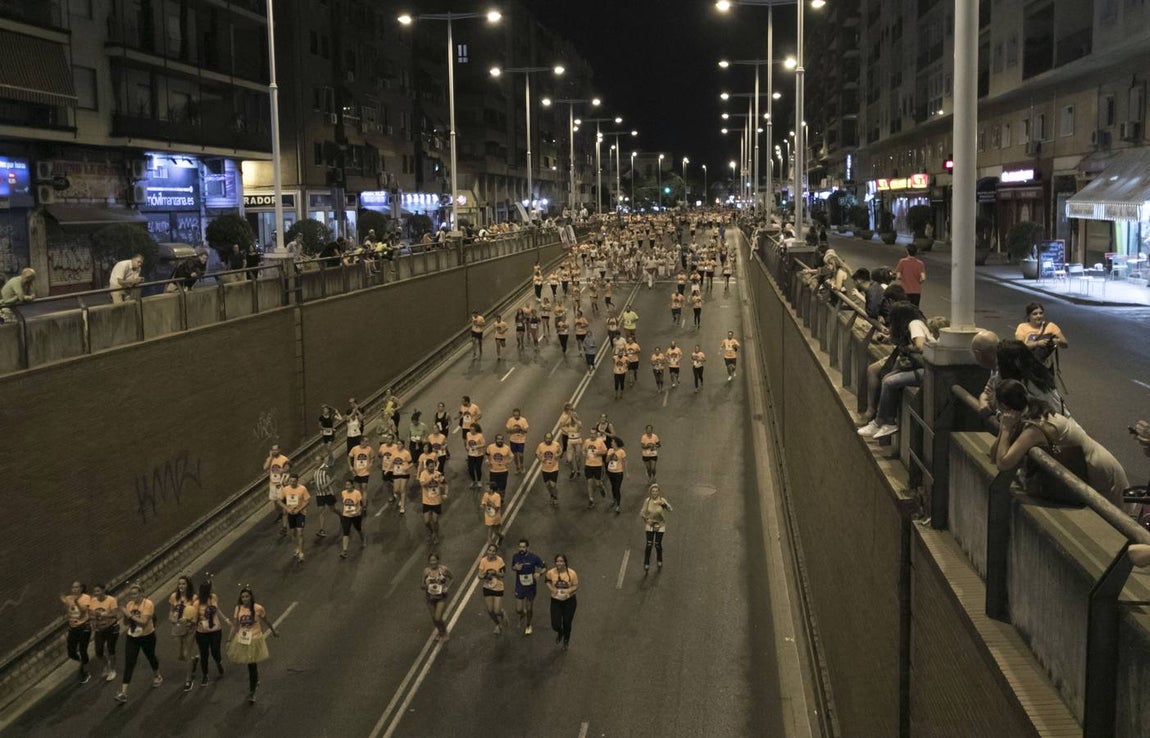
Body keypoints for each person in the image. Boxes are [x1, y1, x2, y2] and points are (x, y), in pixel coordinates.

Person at [990, 379, 1130, 509]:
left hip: (1101, 473)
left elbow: (1003, 463)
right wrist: (1006, 427)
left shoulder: (1035, 427)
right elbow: (994, 455)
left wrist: (1006, 429)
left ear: (1006, 407)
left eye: (1000, 409)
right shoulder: (1029, 414)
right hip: (1089, 470)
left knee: (1114, 527)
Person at [858, 302, 935, 440]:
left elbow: (920, 346)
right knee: (886, 378)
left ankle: (883, 421)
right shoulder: (915, 323)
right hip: (923, 367)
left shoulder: (915, 324)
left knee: (888, 381)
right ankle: (882, 421)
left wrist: (907, 349)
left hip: (928, 371)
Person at [227, 587, 278, 703]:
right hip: (243, 639)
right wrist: (229, 640)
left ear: (251, 597)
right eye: (243, 597)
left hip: (254, 639)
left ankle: (252, 691)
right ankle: (255, 682)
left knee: (251, 665)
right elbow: (235, 625)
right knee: (249, 664)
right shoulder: (238, 608)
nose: (245, 599)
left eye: (247, 596)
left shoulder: (258, 608)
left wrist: (274, 631)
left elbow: (266, 620)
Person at [115, 583, 162, 703]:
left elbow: (144, 622)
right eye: (131, 594)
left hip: (147, 636)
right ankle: (124, 693)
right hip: (133, 637)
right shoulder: (130, 605)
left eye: (135, 594)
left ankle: (157, 675)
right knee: (129, 662)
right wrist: (125, 616)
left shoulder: (148, 604)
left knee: (150, 656)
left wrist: (128, 614)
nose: (133, 596)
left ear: (141, 594)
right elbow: (126, 623)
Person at [192, 579, 229, 687]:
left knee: (215, 650)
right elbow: (194, 619)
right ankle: (205, 675)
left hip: (216, 630)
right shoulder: (197, 603)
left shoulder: (213, 597)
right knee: (204, 654)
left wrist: (225, 619)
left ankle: (218, 662)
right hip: (202, 632)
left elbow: (217, 610)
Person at [1014, 302, 1068, 367]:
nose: (1038, 316)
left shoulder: (1051, 326)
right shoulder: (1022, 327)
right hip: (1027, 366)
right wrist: (1037, 343)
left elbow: (1065, 344)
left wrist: (1054, 341)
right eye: (1035, 314)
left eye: (1041, 313)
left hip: (1045, 367)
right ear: (1029, 316)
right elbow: (1020, 347)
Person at [168, 575, 198, 690]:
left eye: (184, 584)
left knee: (187, 653)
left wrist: (189, 621)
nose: (181, 586)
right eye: (179, 584)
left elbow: (195, 615)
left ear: (188, 585)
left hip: (190, 628)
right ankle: (194, 660)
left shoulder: (193, 598)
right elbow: (171, 611)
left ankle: (188, 679)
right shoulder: (174, 597)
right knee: (180, 655)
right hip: (177, 627)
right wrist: (171, 619)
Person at [512, 539, 546, 635]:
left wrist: (539, 573)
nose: (521, 549)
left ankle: (528, 625)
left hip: (531, 587)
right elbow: (512, 567)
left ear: (527, 547)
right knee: (519, 610)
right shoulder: (515, 556)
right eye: (520, 547)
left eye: (523, 547)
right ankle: (523, 614)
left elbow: (544, 567)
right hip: (520, 586)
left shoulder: (533, 557)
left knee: (529, 608)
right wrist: (515, 568)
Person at [61, 581, 92, 684]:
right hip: (73, 627)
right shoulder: (69, 598)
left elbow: (83, 612)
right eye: (73, 587)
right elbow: (67, 610)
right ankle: (82, 662)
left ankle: (86, 672)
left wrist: (76, 601)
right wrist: (65, 602)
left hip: (84, 626)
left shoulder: (86, 597)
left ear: (81, 589)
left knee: (83, 650)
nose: (74, 589)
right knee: (71, 652)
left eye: (76, 587)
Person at [546, 555, 579, 650]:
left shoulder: (572, 573)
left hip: (569, 602)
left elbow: (576, 586)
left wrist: (568, 591)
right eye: (557, 561)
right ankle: (560, 632)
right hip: (556, 602)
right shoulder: (551, 572)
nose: (559, 563)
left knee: (567, 623)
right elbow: (547, 581)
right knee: (555, 624)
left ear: (565, 562)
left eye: (561, 561)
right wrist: (552, 589)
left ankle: (566, 640)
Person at [89, 584, 119, 682]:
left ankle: (112, 670)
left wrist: (101, 615)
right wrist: (95, 619)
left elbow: (114, 615)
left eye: (98, 591)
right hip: (99, 629)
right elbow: (91, 615)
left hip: (111, 628)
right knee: (98, 651)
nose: (96, 593)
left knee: (111, 650)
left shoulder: (111, 600)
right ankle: (106, 665)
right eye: (95, 592)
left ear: (103, 590)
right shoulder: (93, 601)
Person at [641, 483, 674, 571]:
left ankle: (659, 559)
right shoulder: (647, 501)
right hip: (650, 524)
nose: (654, 493)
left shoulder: (662, 500)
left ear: (659, 492)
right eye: (653, 491)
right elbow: (643, 512)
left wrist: (663, 504)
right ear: (650, 492)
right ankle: (646, 563)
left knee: (657, 544)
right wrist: (646, 520)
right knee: (649, 544)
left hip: (660, 525)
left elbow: (670, 509)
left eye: (656, 491)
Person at [421, 554, 454, 641]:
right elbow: (421, 585)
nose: (433, 562)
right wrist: (426, 585)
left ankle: (445, 632)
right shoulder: (426, 571)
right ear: (428, 562)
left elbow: (452, 578)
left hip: (441, 597)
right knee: (434, 619)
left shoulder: (443, 569)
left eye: (434, 560)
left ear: (438, 560)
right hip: (430, 598)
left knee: (438, 617)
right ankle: (440, 632)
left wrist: (447, 588)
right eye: (431, 560)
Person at [279, 473, 312, 561]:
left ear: (297, 481)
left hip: (300, 513)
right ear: (289, 481)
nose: (292, 483)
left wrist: (299, 509)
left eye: (294, 481)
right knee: (293, 533)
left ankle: (301, 552)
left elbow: (307, 501)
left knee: (300, 532)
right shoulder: (285, 489)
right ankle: (297, 548)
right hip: (291, 513)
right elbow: (279, 501)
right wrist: (287, 508)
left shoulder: (302, 489)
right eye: (291, 481)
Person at [477, 544, 508, 634]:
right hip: (487, 587)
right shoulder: (483, 561)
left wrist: (495, 573)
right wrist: (485, 575)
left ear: (496, 552)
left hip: (498, 587)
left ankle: (502, 613)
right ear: (487, 551)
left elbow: (503, 574)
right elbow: (479, 575)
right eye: (489, 550)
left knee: (496, 610)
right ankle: (498, 625)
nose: (491, 552)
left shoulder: (500, 560)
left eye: (493, 551)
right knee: (490, 611)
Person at [970, 330, 1001, 417]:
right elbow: (987, 392)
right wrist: (983, 401)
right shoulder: (995, 368)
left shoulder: (1004, 371)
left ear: (978, 354)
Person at [263, 445, 291, 535]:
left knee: (282, 503)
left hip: (281, 484)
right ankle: (282, 513)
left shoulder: (284, 459)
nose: (274, 451)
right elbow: (265, 468)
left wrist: (282, 472)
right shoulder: (270, 459)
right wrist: (270, 458)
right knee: (276, 505)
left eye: (276, 450)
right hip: (272, 485)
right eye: (273, 450)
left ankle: (285, 519)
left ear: (279, 450)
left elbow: (288, 469)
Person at [418, 457, 448, 544]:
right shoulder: (423, 474)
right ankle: (431, 531)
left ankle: (436, 535)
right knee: (426, 521)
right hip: (426, 501)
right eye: (430, 467)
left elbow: (445, 484)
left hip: (436, 501)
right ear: (427, 467)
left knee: (435, 521)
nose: (432, 468)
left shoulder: (438, 474)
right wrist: (430, 480)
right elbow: (422, 484)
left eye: (433, 466)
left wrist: (445, 493)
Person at [338, 479, 367, 558]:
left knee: (359, 529)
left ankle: (363, 540)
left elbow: (361, 503)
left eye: (349, 485)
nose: (347, 487)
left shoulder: (357, 493)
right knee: (346, 532)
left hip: (355, 515)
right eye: (346, 485)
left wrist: (360, 510)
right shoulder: (343, 493)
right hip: (346, 515)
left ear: (352, 485)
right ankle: (344, 551)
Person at [312, 451, 336, 536]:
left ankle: (342, 516)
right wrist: (313, 482)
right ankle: (321, 530)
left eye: (317, 460)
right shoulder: (316, 469)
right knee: (320, 511)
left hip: (328, 493)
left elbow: (334, 477)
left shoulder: (326, 468)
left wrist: (326, 485)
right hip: (319, 494)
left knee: (333, 509)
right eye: (315, 460)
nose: (316, 462)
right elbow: (317, 479)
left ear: (322, 461)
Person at [536, 432, 562, 506]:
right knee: (547, 485)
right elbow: (537, 454)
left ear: (552, 438)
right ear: (544, 438)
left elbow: (560, 451)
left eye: (549, 438)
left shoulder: (556, 445)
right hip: (545, 469)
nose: (548, 439)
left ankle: (556, 498)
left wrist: (558, 455)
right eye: (547, 438)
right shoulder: (541, 446)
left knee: (553, 485)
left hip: (554, 468)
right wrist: (541, 459)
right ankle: (552, 495)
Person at [583, 429, 608, 508]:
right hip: (588, 465)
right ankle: (591, 499)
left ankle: (601, 487)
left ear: (596, 435)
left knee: (597, 483)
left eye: (593, 434)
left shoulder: (600, 442)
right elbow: (583, 450)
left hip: (597, 465)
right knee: (589, 482)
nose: (592, 435)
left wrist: (598, 453)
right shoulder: (587, 441)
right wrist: (585, 454)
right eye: (590, 433)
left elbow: (605, 451)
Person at [605, 437, 627, 514]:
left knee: (617, 488)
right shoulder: (610, 450)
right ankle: (614, 499)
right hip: (610, 472)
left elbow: (624, 462)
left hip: (618, 472)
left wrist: (626, 473)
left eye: (612, 442)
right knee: (613, 487)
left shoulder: (621, 452)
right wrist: (610, 455)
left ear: (616, 443)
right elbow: (607, 461)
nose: (611, 443)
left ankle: (618, 504)